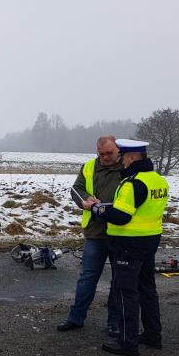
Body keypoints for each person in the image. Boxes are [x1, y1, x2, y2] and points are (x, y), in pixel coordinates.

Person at [89, 139, 168, 356]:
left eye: (123, 157)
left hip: (128, 244)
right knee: (147, 289)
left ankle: (127, 341)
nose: (121, 161)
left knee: (126, 292)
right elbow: (141, 209)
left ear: (132, 157)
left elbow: (122, 216)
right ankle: (153, 334)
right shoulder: (157, 180)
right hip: (149, 240)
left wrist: (97, 209)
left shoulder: (132, 183)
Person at [57, 135, 122, 336]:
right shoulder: (89, 167)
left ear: (118, 150)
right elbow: (76, 189)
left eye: (109, 153)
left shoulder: (128, 167)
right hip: (95, 233)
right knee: (87, 278)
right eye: (101, 154)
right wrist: (85, 200)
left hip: (121, 233)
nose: (105, 157)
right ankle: (75, 318)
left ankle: (115, 323)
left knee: (119, 281)